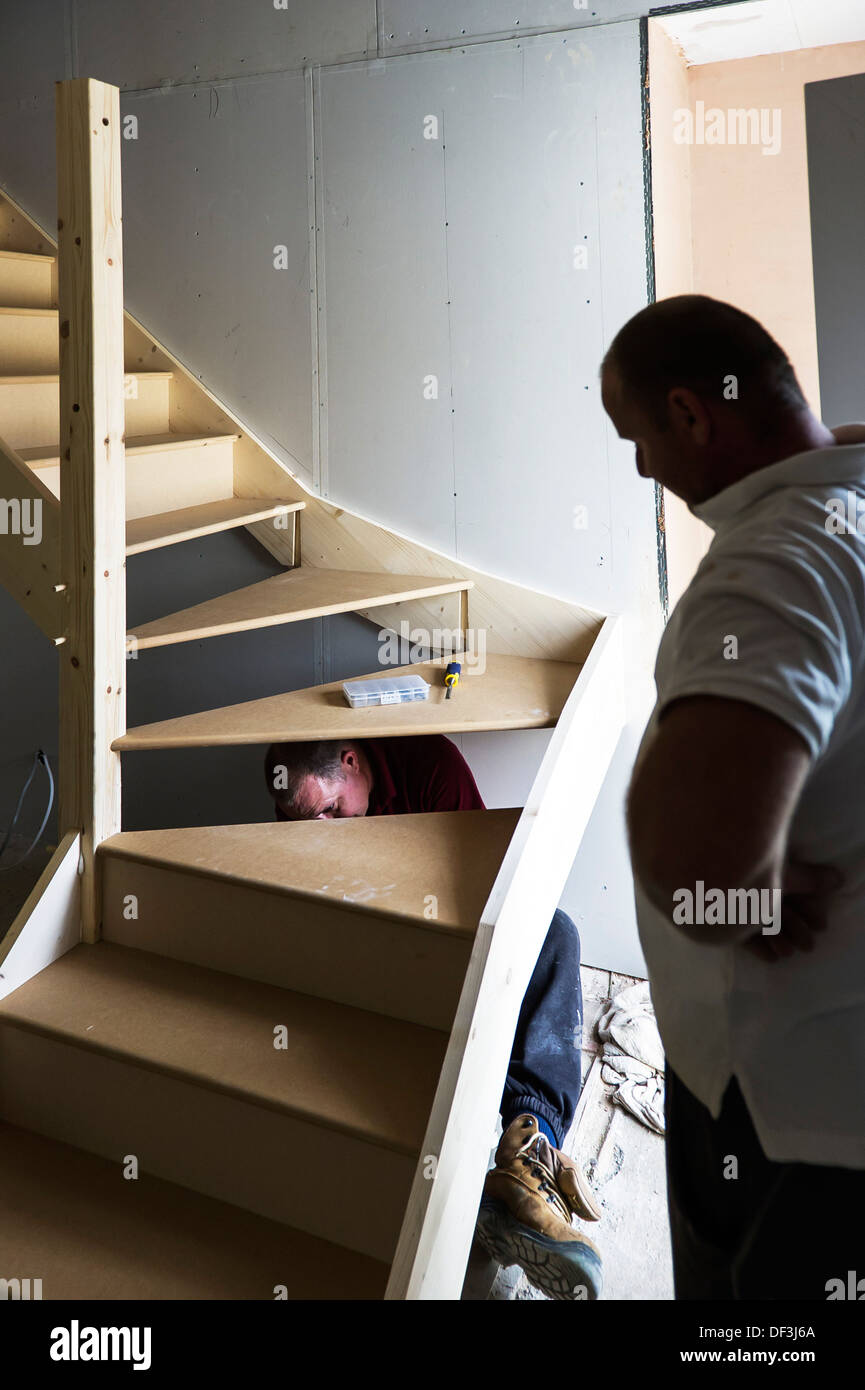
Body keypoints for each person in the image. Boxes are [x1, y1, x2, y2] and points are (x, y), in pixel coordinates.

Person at [601, 292, 865, 1300]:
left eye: (636, 438)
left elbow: (697, 859)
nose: (641, 469)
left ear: (691, 414)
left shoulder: (775, 563)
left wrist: (734, 896)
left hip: (790, 1102)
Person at [264, 733, 603, 1299]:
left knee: (556, 932)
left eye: (331, 808)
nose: (319, 827)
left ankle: (527, 1154)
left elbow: (488, 883)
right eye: (301, 816)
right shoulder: (295, 808)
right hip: (367, 947)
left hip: (447, 929)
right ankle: (494, 1202)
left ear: (352, 762)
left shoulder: (430, 765)